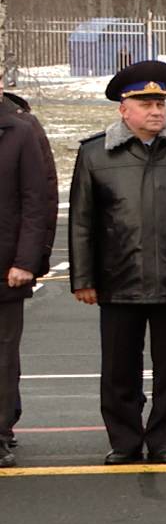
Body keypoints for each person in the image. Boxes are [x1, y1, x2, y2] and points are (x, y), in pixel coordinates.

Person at [68, 61, 166, 466]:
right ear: (124, 108)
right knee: (119, 369)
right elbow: (82, 222)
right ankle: (123, 439)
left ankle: (163, 439)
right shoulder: (95, 154)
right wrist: (83, 278)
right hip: (117, 281)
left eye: (161, 103)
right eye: (146, 103)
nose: (156, 111)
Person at [0, 86, 58, 469]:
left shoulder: (19, 130)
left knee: (2, 357)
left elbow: (38, 200)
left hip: (4, 269)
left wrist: (27, 261)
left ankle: (0, 434)